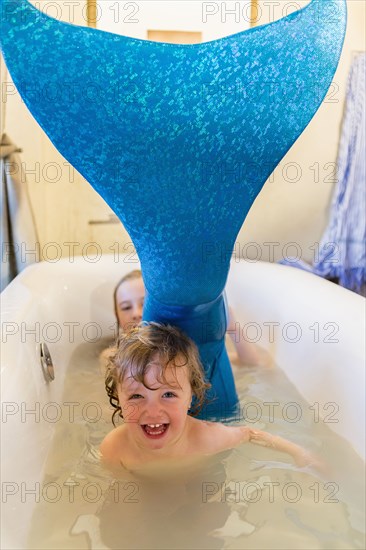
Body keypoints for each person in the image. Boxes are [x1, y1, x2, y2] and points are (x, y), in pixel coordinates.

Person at [100, 322, 319, 472]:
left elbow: (250, 434)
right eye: (137, 396)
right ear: (119, 398)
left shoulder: (207, 439)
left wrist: (299, 452)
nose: (153, 411)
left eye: (168, 394)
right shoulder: (115, 447)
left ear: (191, 395)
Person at [110, 269, 263, 366]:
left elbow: (251, 365)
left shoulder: (180, 350)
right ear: (117, 316)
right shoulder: (112, 356)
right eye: (126, 307)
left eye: (144, 304)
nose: (136, 313)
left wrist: (234, 329)